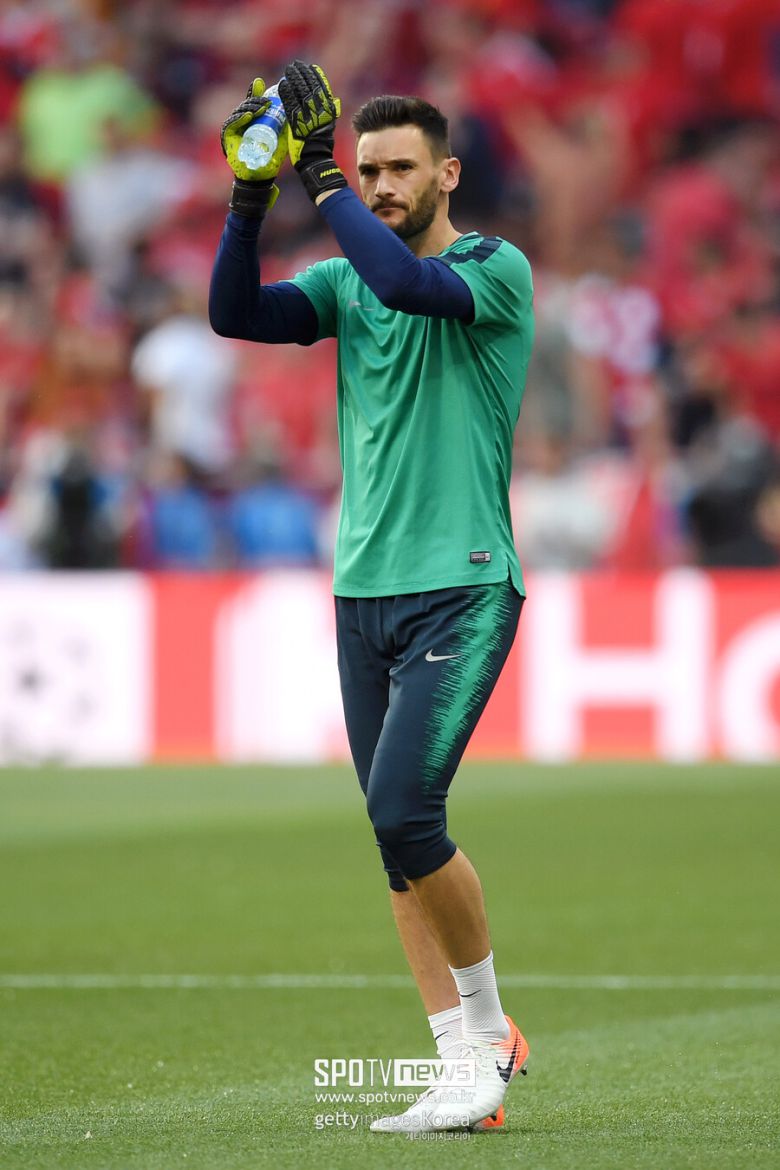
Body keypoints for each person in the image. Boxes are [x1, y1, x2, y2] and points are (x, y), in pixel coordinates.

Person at [209, 61, 534, 1134]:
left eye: (399, 169)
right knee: (396, 850)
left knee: (405, 811)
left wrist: (318, 178)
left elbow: (406, 285)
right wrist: (251, 195)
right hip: (363, 594)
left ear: (448, 174)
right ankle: (459, 1072)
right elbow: (233, 313)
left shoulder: (493, 269)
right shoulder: (346, 281)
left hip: (465, 586)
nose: (381, 184)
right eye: (367, 169)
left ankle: (488, 1037)